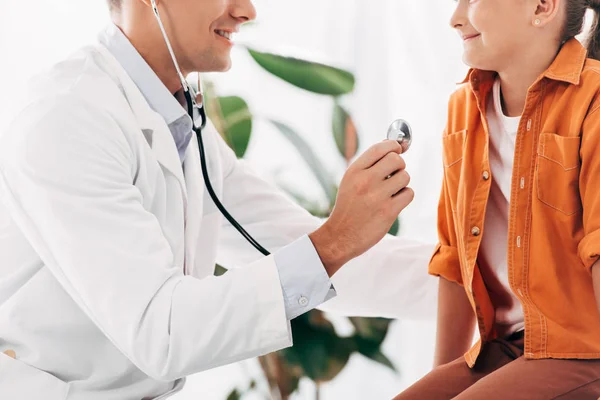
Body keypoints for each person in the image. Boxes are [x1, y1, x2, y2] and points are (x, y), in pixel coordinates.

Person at [0, 0, 437, 399]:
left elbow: (299, 247)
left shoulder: (182, 126)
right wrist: (336, 240)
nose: (246, 10)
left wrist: (486, 281)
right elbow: (163, 332)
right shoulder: (67, 117)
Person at [394, 0, 600, 399]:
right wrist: (445, 380)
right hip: (507, 349)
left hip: (584, 350)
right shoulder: (464, 109)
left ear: (542, 7)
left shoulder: (593, 100)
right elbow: (454, 258)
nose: (455, 17)